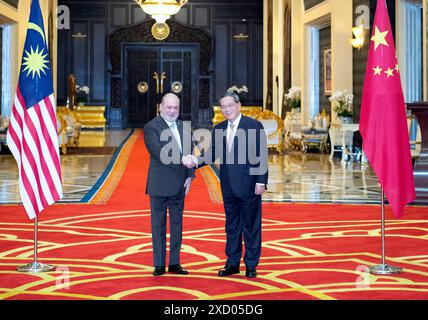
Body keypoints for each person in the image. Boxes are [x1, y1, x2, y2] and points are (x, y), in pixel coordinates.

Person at [183, 92, 268, 278]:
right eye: (224, 107)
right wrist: (195, 161)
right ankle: (232, 263)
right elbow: (212, 152)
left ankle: (251, 264)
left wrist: (261, 180)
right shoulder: (219, 128)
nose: (227, 109)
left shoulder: (253, 126)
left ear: (238, 105)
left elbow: (261, 154)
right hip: (228, 185)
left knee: (251, 225)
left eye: (230, 105)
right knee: (231, 225)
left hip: (249, 184)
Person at [144, 93, 194, 276]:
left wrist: (190, 175)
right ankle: (158, 264)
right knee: (158, 225)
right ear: (161, 107)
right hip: (159, 183)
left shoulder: (184, 126)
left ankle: (174, 263)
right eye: (169, 107)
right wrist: (183, 161)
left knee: (177, 223)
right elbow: (159, 153)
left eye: (176, 108)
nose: (172, 111)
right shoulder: (151, 127)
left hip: (180, 184)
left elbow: (190, 151)